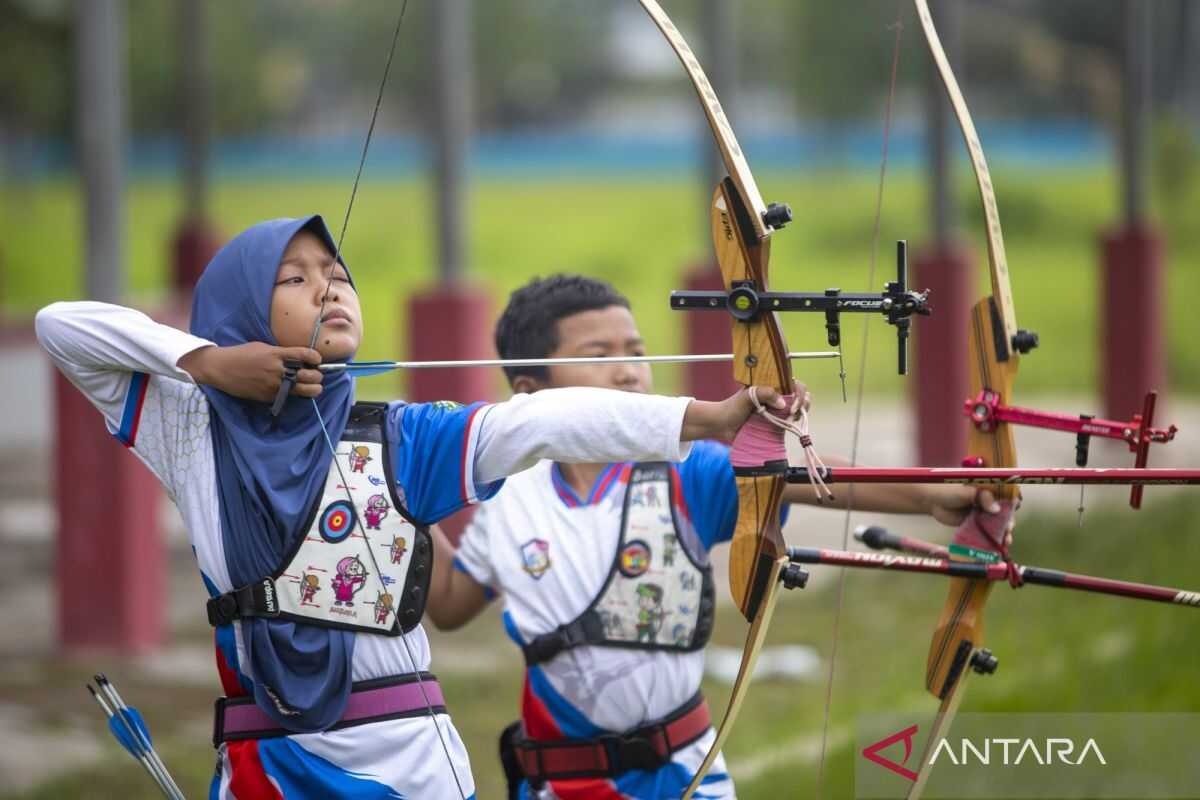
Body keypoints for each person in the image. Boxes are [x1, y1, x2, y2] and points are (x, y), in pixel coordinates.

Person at [35, 217, 787, 799]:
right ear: (240, 313)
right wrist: (204, 361)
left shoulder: (408, 440)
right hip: (269, 762)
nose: (328, 289)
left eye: (338, 276)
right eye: (293, 279)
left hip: (408, 763)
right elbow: (60, 325)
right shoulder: (192, 431)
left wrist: (705, 419)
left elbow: (540, 421)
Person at [427, 274, 1008, 799]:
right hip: (559, 781)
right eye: (598, 355)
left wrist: (933, 494)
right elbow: (451, 606)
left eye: (636, 351)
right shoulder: (507, 497)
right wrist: (396, 498)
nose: (629, 369)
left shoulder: (685, 472)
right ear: (531, 391)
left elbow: (801, 478)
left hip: (685, 776)